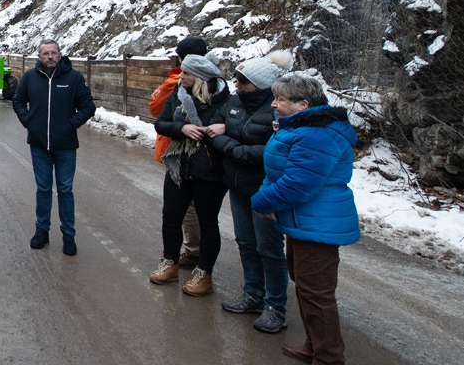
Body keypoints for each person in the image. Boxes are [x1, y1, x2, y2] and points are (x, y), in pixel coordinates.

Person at [252, 73, 360, 365]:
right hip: (302, 222)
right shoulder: (301, 128)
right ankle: (315, 346)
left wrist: (261, 202)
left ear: (303, 104)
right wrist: (267, 196)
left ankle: (328, 358)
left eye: (280, 99)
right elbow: (277, 172)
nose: (274, 104)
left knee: (317, 294)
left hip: (318, 225)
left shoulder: (317, 135)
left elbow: (297, 184)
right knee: (306, 288)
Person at [210, 51, 293, 333]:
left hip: (265, 189)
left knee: (269, 248)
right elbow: (215, 130)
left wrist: (234, 148)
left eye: (243, 81)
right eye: (236, 79)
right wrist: (230, 144)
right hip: (238, 185)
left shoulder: (278, 109)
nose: (237, 85)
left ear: (260, 84)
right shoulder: (235, 102)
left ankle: (276, 306)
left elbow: (275, 150)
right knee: (246, 242)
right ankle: (253, 294)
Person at [149, 53, 230, 296]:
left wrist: (225, 127)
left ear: (200, 78)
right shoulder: (178, 94)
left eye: (186, 73)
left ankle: (204, 273)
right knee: (170, 217)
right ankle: (170, 263)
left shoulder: (225, 100)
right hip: (179, 167)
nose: (181, 76)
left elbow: (238, 127)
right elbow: (161, 123)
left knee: (208, 222)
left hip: (210, 171)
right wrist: (182, 127)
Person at [12, 40, 96, 255]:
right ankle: (42, 230)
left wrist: (69, 125)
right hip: (39, 145)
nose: (50, 57)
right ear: (39, 56)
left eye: (53, 53)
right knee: (43, 189)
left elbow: (88, 107)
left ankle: (68, 235)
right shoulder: (30, 77)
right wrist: (29, 122)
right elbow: (18, 101)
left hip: (66, 145)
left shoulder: (73, 78)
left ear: (60, 55)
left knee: (65, 190)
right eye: (45, 53)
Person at [150, 35, 209, 268]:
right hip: (197, 155)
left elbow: (155, 107)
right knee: (196, 209)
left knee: (186, 209)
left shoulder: (177, 83)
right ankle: (195, 251)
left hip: (179, 152)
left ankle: (193, 251)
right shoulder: (214, 82)